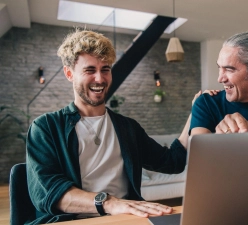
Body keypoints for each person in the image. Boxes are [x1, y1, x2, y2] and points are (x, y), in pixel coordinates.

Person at [25, 29, 199, 224]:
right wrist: (109, 203)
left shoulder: (127, 128)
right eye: (90, 70)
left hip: (127, 219)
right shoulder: (45, 127)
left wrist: (196, 113)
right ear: (69, 73)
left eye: (105, 69)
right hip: (74, 221)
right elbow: (50, 194)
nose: (100, 79)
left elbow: (172, 162)